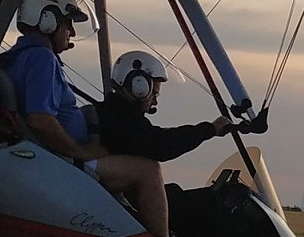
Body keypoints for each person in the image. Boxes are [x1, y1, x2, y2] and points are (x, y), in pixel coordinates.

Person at [0, 0, 171, 237]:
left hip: (54, 155)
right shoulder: (41, 59)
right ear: (47, 20)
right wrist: (80, 153)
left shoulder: (21, 56)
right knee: (148, 171)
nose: (72, 32)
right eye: (68, 23)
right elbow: (40, 120)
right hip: (62, 160)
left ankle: (139, 231)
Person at [95, 50, 268, 163]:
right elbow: (161, 145)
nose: (154, 102)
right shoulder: (120, 119)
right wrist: (210, 129)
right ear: (139, 87)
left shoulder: (115, 114)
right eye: (153, 93)